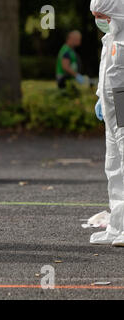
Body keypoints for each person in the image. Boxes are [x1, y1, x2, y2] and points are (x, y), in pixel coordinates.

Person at [90, 0, 124, 247]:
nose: (98, 20)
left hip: (122, 104)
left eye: (102, 15)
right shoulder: (110, 39)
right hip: (112, 107)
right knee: (113, 166)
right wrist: (101, 98)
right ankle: (117, 226)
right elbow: (107, 73)